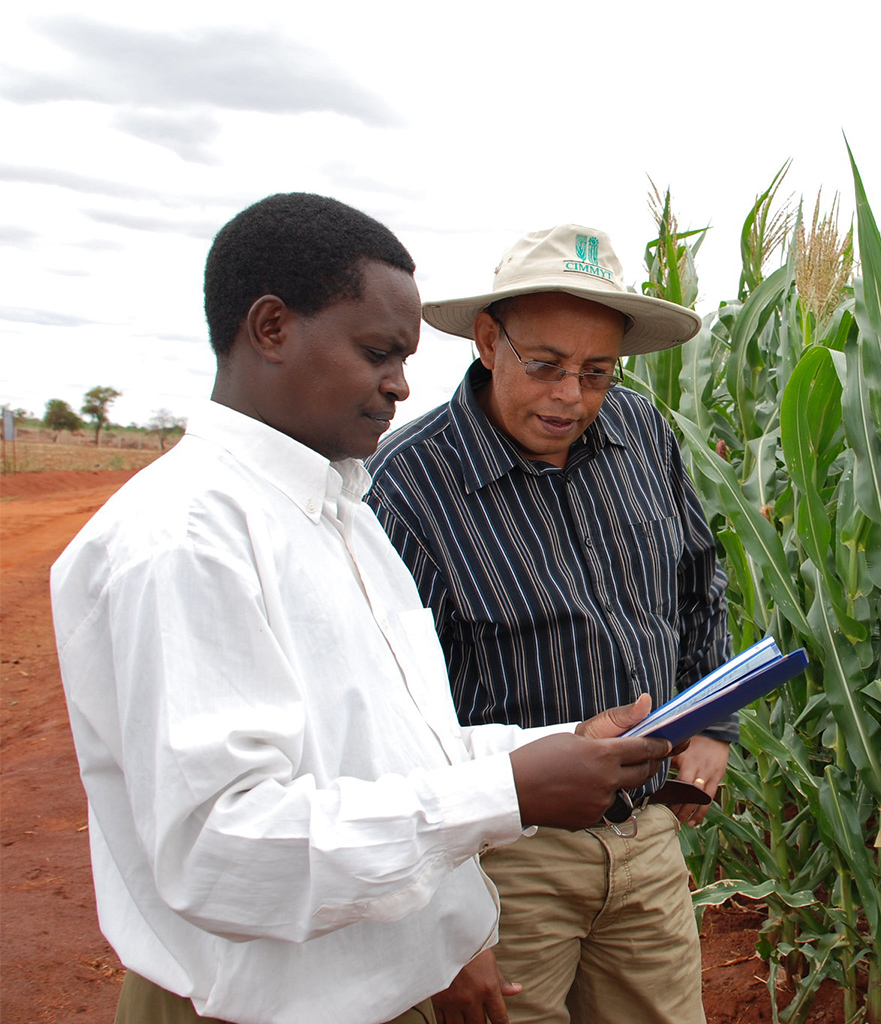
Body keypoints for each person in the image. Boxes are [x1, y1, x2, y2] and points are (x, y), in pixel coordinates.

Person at [50, 195, 675, 1024]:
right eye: (379, 352)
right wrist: (509, 792)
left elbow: (392, 755)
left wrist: (543, 749)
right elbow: (223, 848)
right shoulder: (185, 538)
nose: (401, 384)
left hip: (374, 978)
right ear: (270, 328)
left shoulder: (338, 511)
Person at [365, 224, 732, 1024]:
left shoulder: (641, 434)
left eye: (596, 373)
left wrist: (714, 724)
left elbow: (701, 575)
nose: (571, 396)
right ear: (491, 342)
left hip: (646, 836)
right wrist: (451, 926)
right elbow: (394, 721)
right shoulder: (409, 487)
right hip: (507, 861)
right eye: (547, 367)